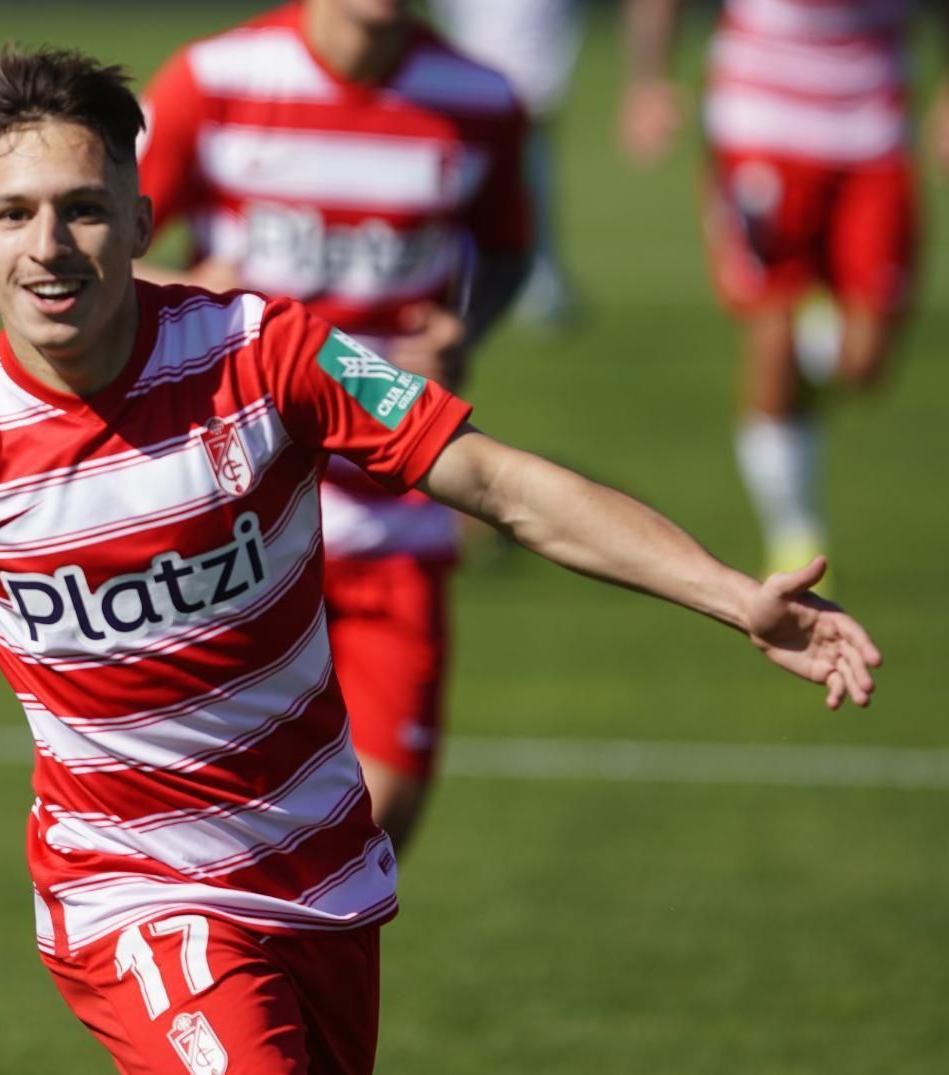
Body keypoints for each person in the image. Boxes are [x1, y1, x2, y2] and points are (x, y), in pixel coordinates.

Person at [0, 46, 880, 1075]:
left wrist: (727, 592)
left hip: (325, 877)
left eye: (82, 207)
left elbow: (499, 480)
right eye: (14, 215)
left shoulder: (272, 356)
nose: (50, 245)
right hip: (139, 899)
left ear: (144, 220)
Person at [135, 0, 532, 850]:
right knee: (215, 820)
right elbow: (100, 256)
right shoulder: (215, 79)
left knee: (379, 819)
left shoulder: (481, 98)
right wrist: (186, 288)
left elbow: (507, 252)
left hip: (398, 507)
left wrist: (466, 328)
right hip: (236, 515)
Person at [620, 0, 948, 587]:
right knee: (771, 327)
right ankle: (794, 534)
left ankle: (817, 330)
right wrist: (649, 80)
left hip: (872, 127)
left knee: (865, 363)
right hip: (760, 121)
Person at [430, 0, 585, 326]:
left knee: (520, 166)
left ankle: (534, 273)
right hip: (471, 81)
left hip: (507, 83)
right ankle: (520, 275)